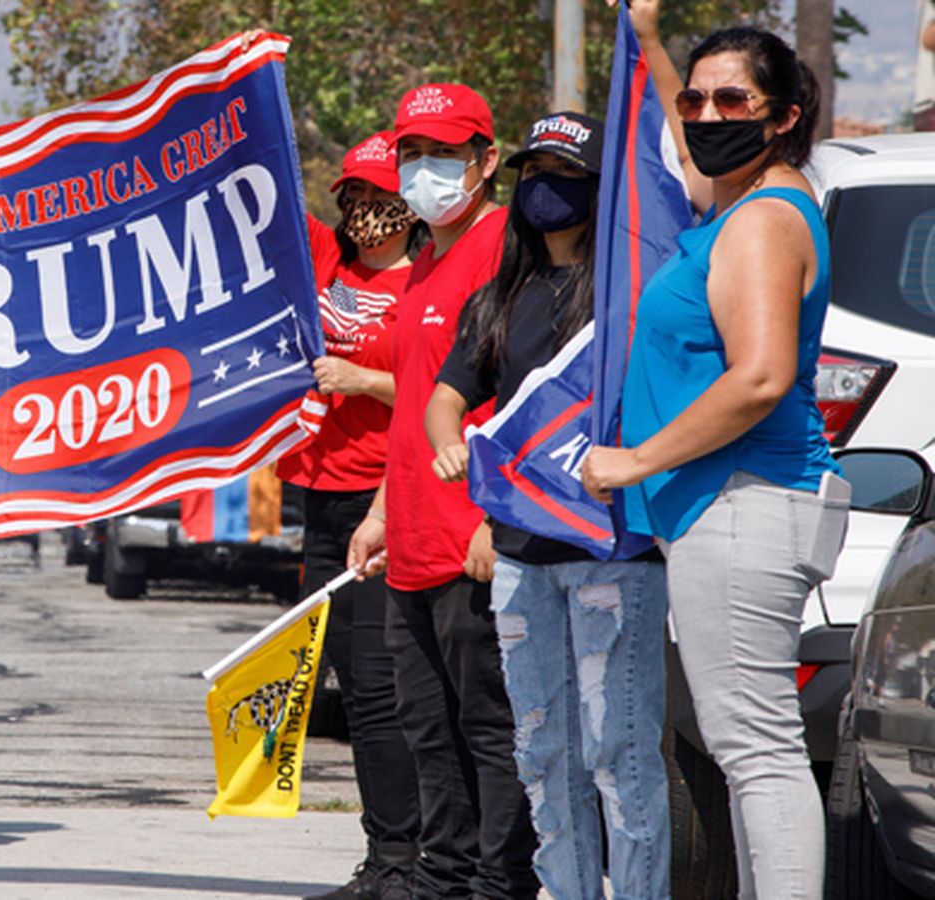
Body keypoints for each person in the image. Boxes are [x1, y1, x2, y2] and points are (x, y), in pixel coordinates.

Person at [582, 6, 845, 897]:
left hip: (743, 500)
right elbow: (686, 142)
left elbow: (761, 377)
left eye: (734, 101)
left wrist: (635, 460)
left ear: (784, 116)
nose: (705, 114)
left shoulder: (764, 220)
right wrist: (654, 42)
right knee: (747, 748)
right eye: (695, 100)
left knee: (756, 748)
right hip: (732, 506)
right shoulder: (734, 202)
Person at [425, 111, 671, 900]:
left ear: (598, 188)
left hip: (612, 557)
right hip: (521, 563)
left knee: (620, 755)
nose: (544, 188)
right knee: (543, 756)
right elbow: (448, 396)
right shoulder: (504, 295)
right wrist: (449, 443)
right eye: (533, 172)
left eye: (563, 173)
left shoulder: (631, 296)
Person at [347, 83, 539, 900]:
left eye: (444, 154)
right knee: (427, 728)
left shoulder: (505, 248)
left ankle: (500, 885)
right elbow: (420, 395)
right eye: (412, 154)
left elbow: (526, 398)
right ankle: (443, 879)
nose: (424, 170)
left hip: (474, 541)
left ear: (486, 160)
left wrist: (499, 518)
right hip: (412, 538)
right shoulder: (424, 258)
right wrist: (382, 511)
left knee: (490, 728)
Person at [278, 131, 423, 900]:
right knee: (349, 684)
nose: (365, 208)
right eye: (353, 196)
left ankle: (404, 862)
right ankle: (384, 857)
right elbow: (261, 192)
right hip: (320, 500)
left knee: (379, 684)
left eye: (378, 193)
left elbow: (442, 390)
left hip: (385, 499)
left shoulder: (425, 283)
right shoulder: (327, 263)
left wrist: (364, 378)